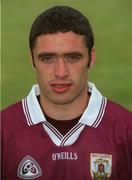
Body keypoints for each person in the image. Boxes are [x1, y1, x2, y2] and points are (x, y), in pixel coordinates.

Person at [1, 5, 132, 180]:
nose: (61, 72)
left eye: (73, 58)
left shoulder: (127, 130)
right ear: (32, 58)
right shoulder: (3, 131)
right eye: (47, 58)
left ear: (91, 58)